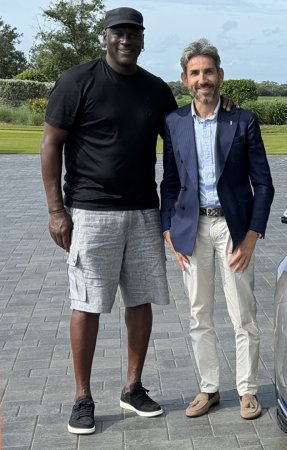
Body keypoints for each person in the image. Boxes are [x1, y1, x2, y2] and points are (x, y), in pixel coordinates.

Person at [40, 7, 177, 435]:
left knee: (140, 301)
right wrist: (55, 210)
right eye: (118, 33)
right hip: (89, 213)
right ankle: (82, 397)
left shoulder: (156, 90)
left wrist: (220, 105)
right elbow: (50, 144)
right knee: (87, 304)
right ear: (105, 37)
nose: (126, 40)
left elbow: (181, 143)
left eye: (133, 34)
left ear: (142, 39)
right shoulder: (76, 81)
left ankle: (132, 387)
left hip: (143, 212)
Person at [160, 39, 275, 420]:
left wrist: (252, 238)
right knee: (199, 315)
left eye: (209, 71)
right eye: (195, 73)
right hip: (192, 232)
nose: (203, 79)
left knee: (243, 314)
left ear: (220, 75)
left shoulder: (243, 120)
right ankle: (208, 388)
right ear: (185, 79)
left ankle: (247, 390)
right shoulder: (174, 123)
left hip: (234, 232)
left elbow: (264, 184)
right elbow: (170, 184)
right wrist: (169, 232)